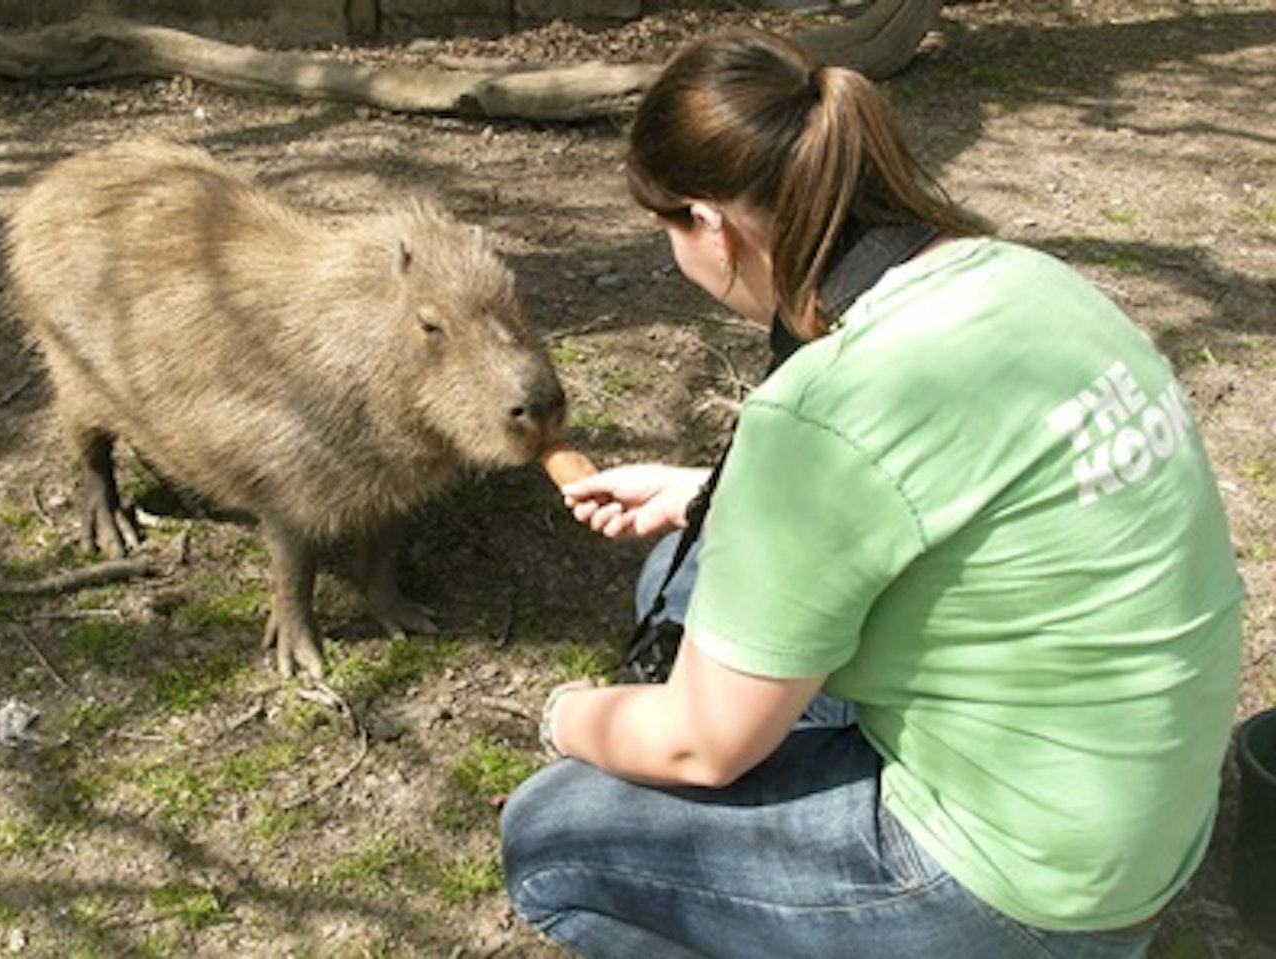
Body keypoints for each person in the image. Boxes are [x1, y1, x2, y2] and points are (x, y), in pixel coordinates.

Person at [499, 29, 1245, 959]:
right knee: (679, 574)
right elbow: (963, 481)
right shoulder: (1022, 279)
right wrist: (704, 495)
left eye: (666, 231)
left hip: (1030, 896)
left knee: (550, 835)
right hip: (1135, 822)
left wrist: (564, 715)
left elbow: (701, 745)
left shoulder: (827, 405)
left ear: (710, 222)